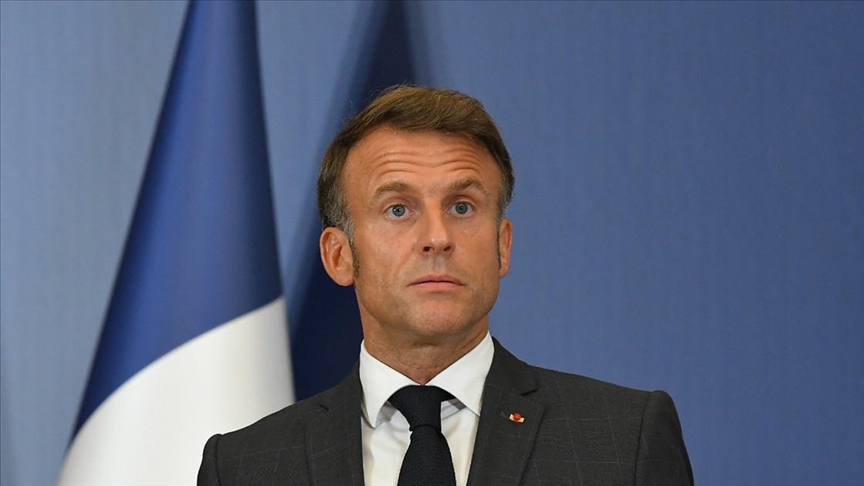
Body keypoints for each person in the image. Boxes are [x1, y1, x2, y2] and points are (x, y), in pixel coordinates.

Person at [198, 85, 693, 485]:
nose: (437, 237)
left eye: (462, 207)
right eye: (398, 209)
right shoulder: (244, 466)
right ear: (339, 255)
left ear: (502, 245)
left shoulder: (623, 439)